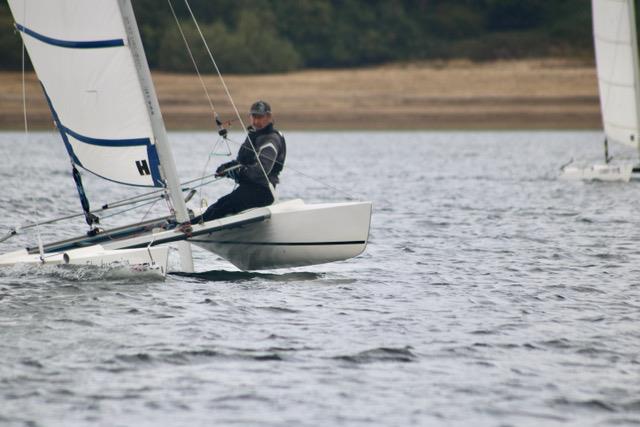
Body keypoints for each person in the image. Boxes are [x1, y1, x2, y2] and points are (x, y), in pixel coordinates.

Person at [182, 100, 286, 230]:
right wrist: (227, 168)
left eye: (260, 117)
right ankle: (192, 223)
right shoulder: (254, 135)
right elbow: (241, 162)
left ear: (269, 117)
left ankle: (190, 226)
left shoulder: (270, 140)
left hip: (263, 192)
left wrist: (238, 171)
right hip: (250, 189)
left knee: (223, 205)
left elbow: (261, 171)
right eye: (253, 117)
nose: (255, 121)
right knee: (222, 203)